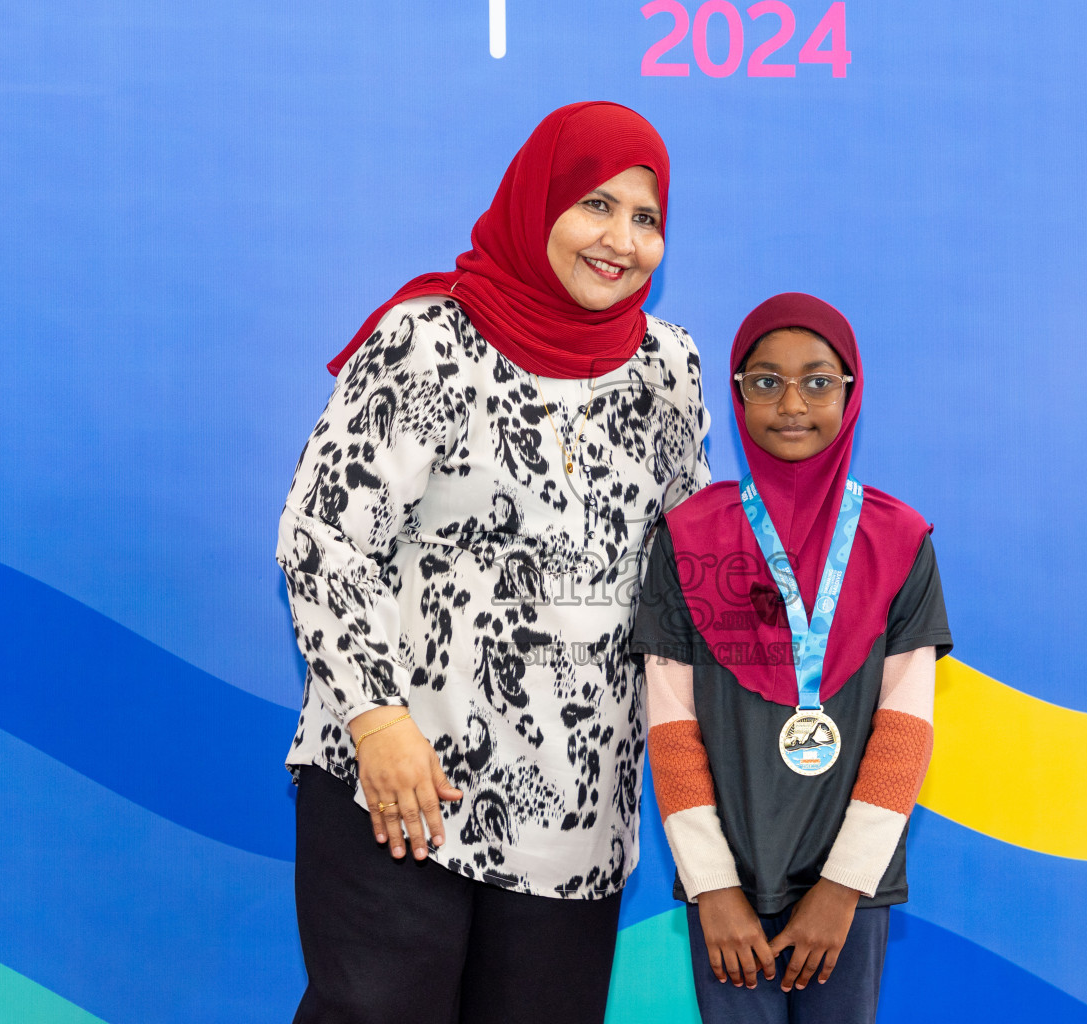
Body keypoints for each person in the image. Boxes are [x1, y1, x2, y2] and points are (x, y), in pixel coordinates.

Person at [277, 101, 711, 1024]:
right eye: (596, 205)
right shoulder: (430, 342)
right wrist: (378, 722)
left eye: (647, 218)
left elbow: (687, 576)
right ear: (536, 202)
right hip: (402, 789)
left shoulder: (670, 370)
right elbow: (322, 535)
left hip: (575, 816)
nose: (621, 240)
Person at [632, 293, 952, 1023]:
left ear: (852, 390)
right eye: (765, 381)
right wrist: (712, 885)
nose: (792, 403)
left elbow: (906, 729)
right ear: (737, 393)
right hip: (726, 893)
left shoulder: (900, 539)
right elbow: (672, 728)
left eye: (817, 380)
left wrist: (844, 888)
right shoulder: (685, 537)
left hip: (847, 893)